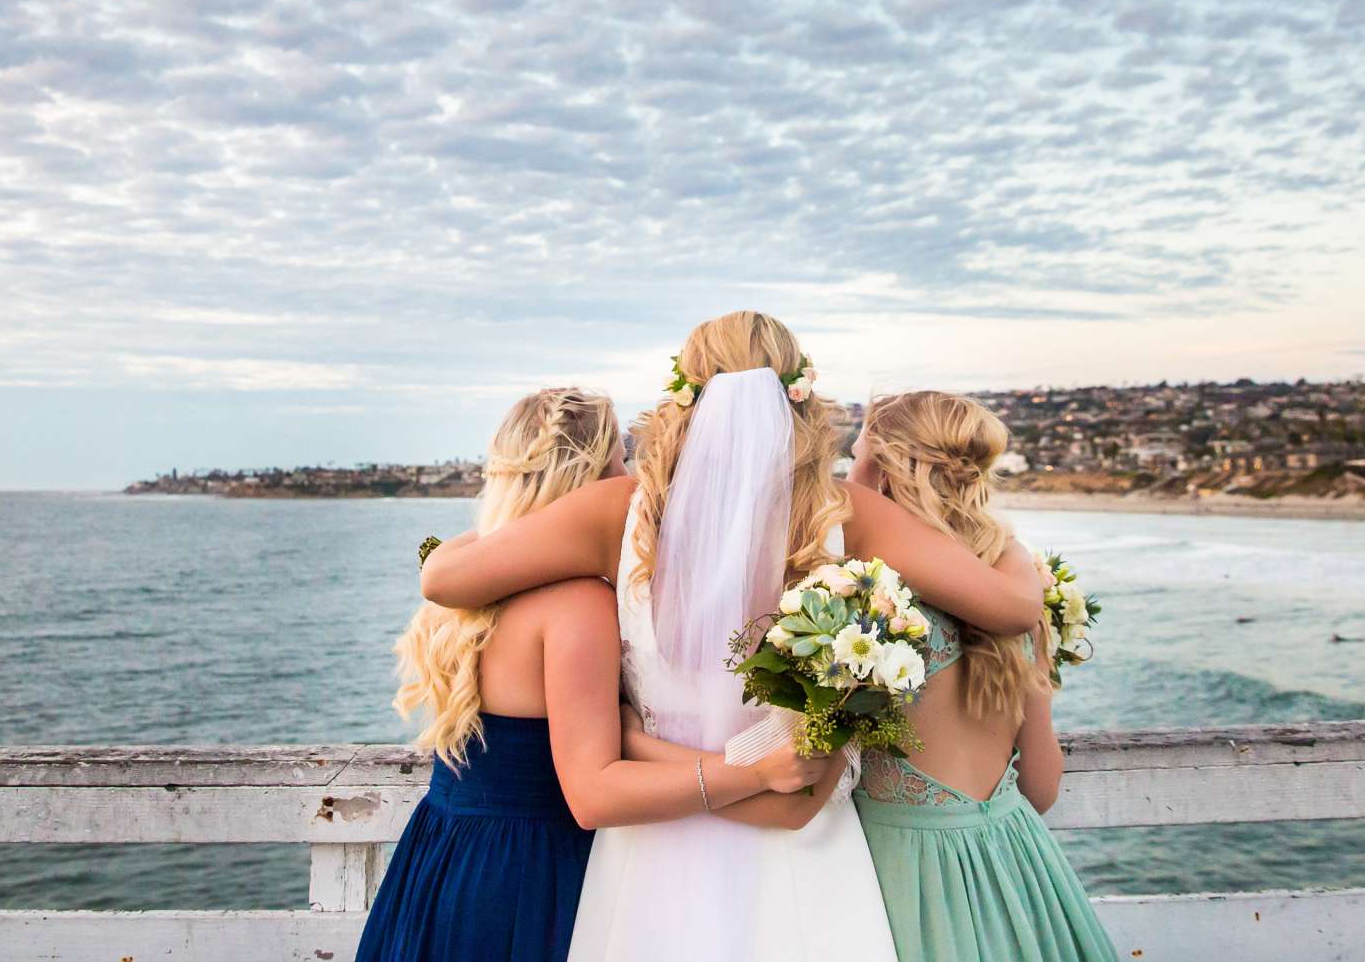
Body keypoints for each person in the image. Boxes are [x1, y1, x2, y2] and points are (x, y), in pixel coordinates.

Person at [419, 312, 1044, 960]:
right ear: (796, 395)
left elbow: (444, 578)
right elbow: (1012, 607)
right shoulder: (842, 516)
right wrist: (1009, 544)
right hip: (801, 846)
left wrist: (519, 514)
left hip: (652, 838)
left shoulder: (618, 511)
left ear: (684, 395)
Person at [358, 385, 826, 962]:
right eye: (620, 462)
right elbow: (595, 791)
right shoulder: (575, 603)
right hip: (529, 877)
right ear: (592, 479)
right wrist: (753, 772)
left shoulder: (466, 602)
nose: (630, 478)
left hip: (441, 856)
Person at [846, 390, 1119, 962]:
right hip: (1019, 863)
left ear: (888, 465)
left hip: (906, 872)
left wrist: (860, 473)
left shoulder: (871, 601)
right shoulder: (1015, 584)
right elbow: (1041, 789)